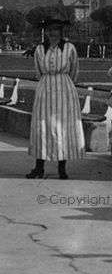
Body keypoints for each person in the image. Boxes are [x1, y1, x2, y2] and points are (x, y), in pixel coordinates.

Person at [26, 9, 85, 180]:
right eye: (50, 30)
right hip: (45, 88)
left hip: (64, 89)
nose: (53, 33)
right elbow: (38, 73)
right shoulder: (39, 50)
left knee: (63, 127)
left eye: (56, 29)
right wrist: (48, 81)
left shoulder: (69, 48)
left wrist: (64, 83)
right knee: (42, 127)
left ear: (61, 31)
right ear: (46, 31)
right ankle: (39, 167)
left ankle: (62, 168)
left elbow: (74, 71)